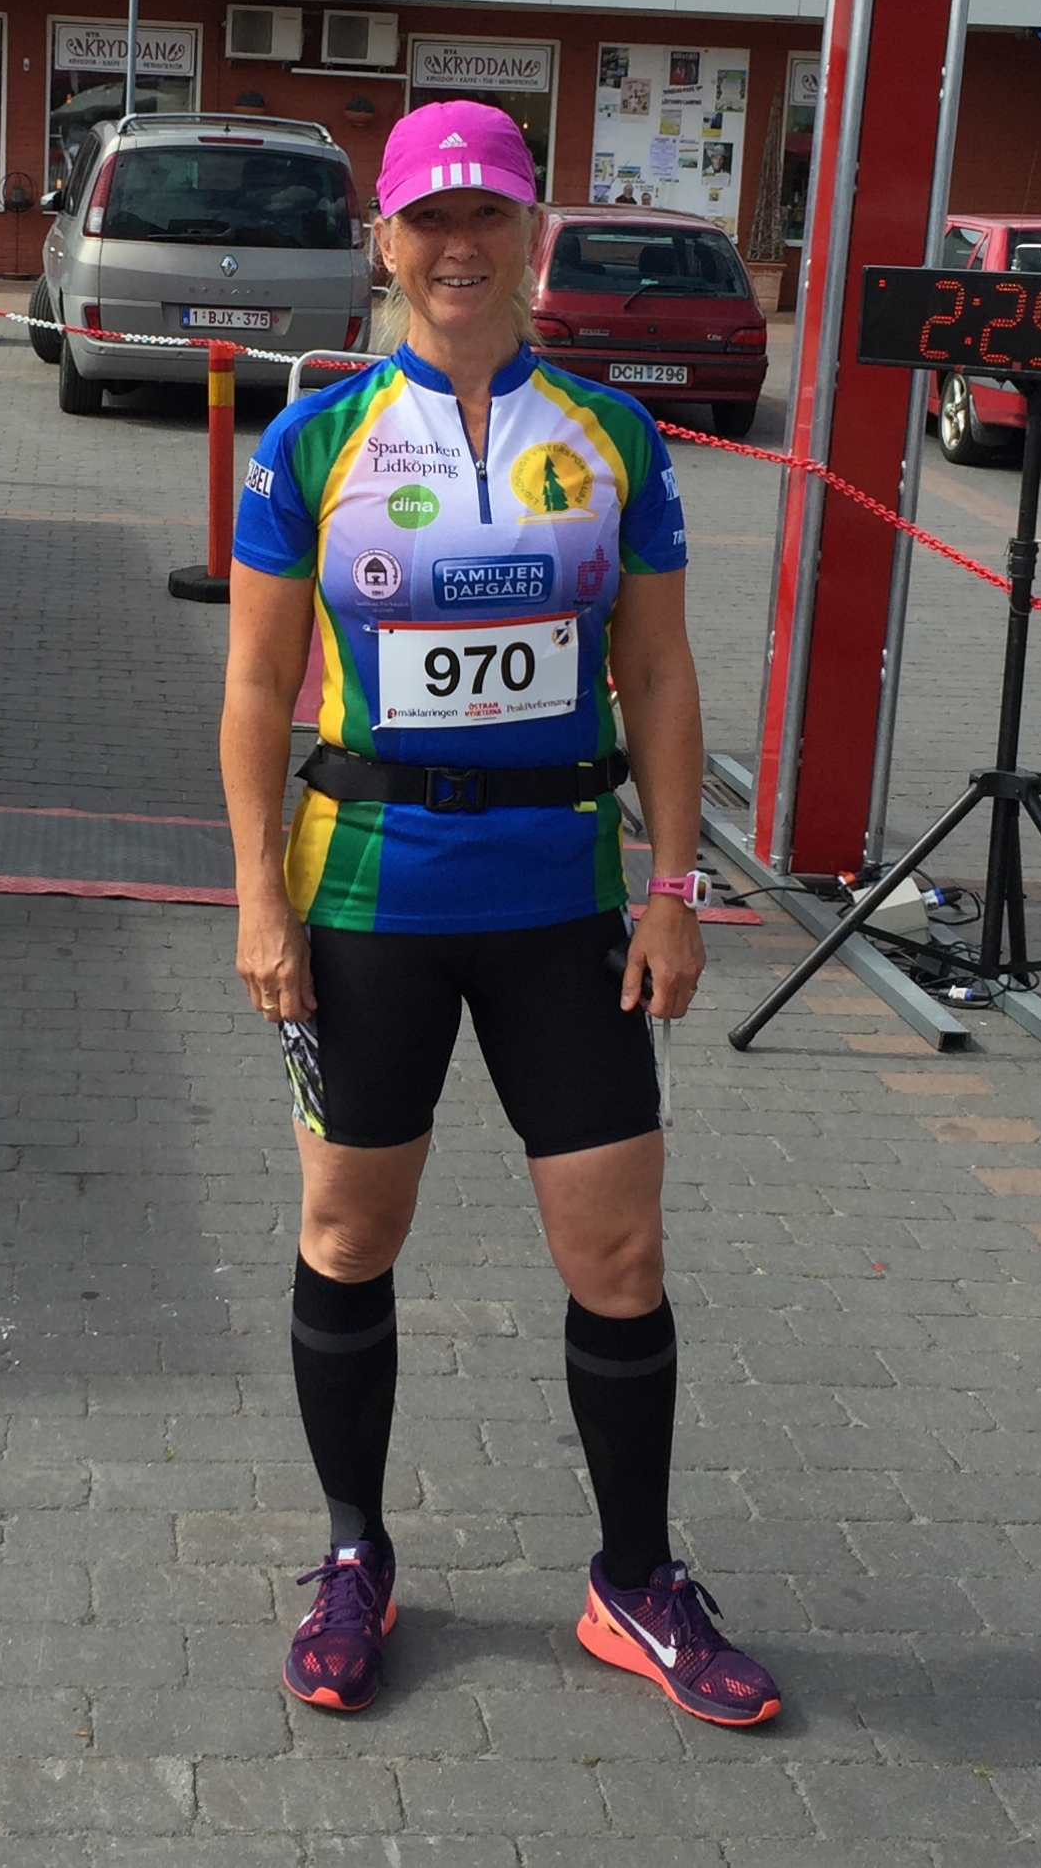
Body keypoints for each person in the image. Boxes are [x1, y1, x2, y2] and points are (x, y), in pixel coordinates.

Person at [222, 99, 781, 1731]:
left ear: (532, 235)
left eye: (488, 216)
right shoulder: (311, 441)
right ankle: (354, 1554)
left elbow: (658, 673)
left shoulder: (612, 435)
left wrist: (673, 888)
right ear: (385, 242)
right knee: (348, 1236)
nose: (457, 247)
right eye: (429, 219)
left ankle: (634, 1577)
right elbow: (254, 686)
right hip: (368, 892)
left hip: (563, 898)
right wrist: (257, 898)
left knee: (618, 1248)